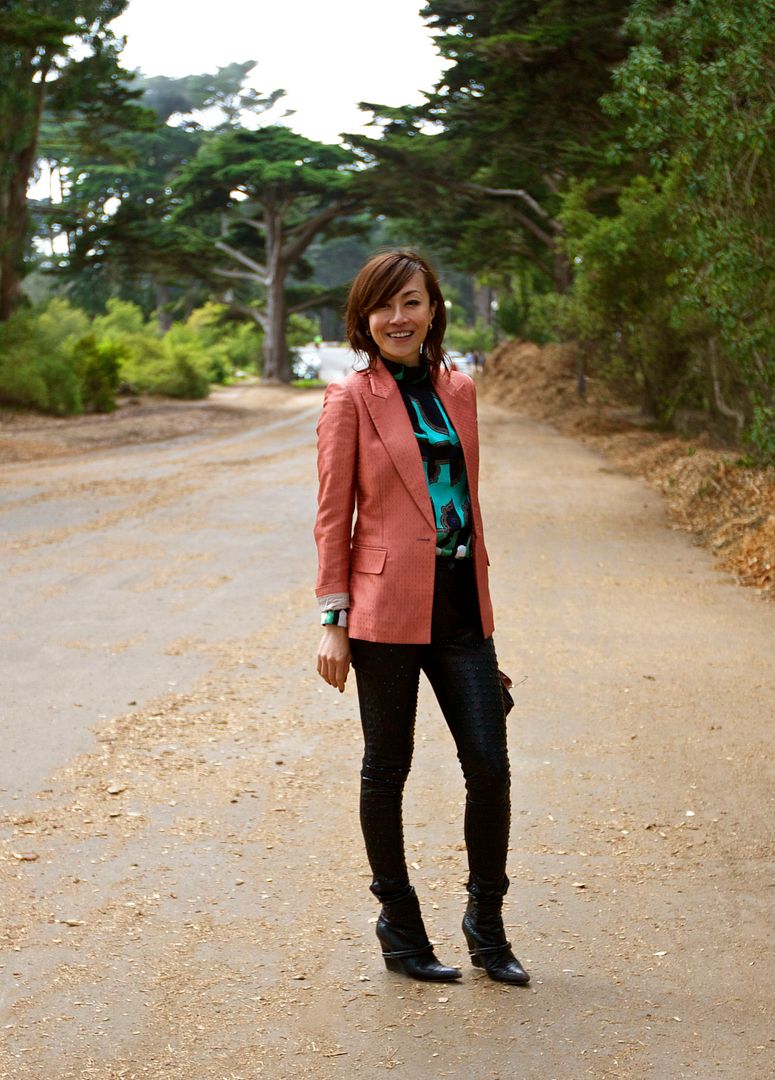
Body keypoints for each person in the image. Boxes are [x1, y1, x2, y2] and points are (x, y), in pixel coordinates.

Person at [313, 250, 529, 986]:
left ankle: (486, 924)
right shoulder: (349, 398)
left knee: (489, 767)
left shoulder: (459, 389)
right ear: (364, 318)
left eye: (411, 302)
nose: (398, 318)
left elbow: (463, 501)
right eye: (384, 305)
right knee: (387, 769)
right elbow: (332, 516)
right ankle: (400, 926)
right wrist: (333, 618)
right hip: (382, 613)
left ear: (434, 309)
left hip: (462, 608)